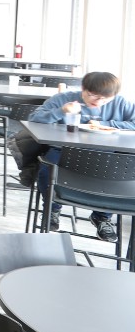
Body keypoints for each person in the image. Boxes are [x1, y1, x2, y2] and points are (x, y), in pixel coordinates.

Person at [30, 71, 135, 241]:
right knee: (47, 168)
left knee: (118, 175)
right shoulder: (64, 99)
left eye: (105, 99)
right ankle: (52, 208)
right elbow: (33, 119)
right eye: (93, 95)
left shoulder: (121, 103)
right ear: (83, 89)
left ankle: (102, 217)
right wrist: (61, 111)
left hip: (105, 154)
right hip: (64, 150)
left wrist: (106, 124)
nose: (98, 102)